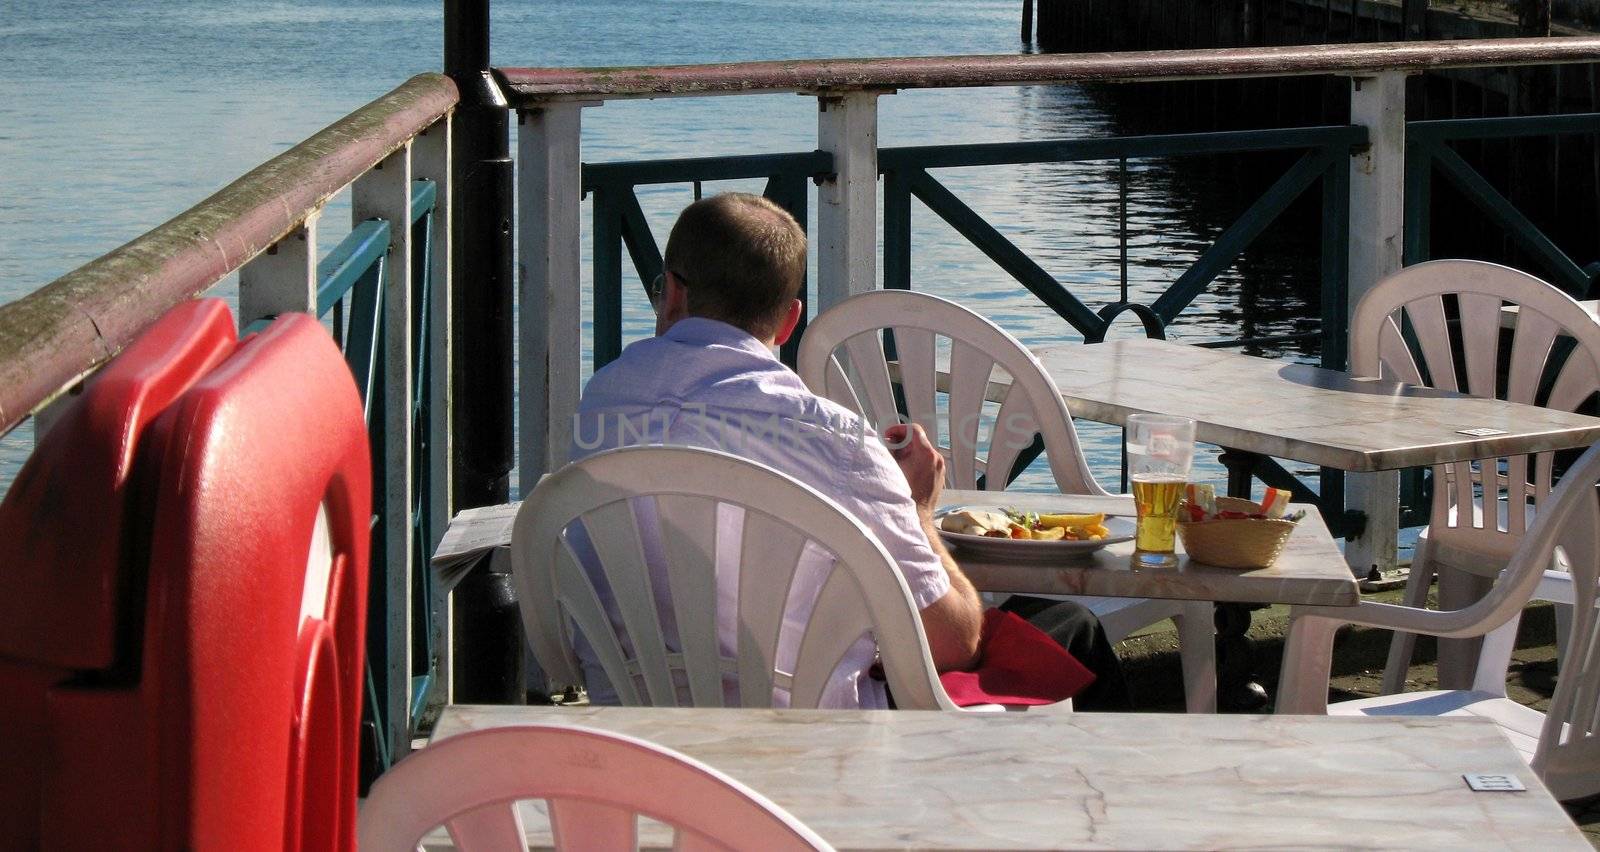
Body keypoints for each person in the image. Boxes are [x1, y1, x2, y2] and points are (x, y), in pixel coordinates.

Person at [571, 191, 1129, 710]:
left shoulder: (603, 402)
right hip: (814, 733)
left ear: (671, 291)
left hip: (643, 723)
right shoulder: (834, 440)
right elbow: (953, 645)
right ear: (790, 320)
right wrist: (919, 512)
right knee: (1069, 628)